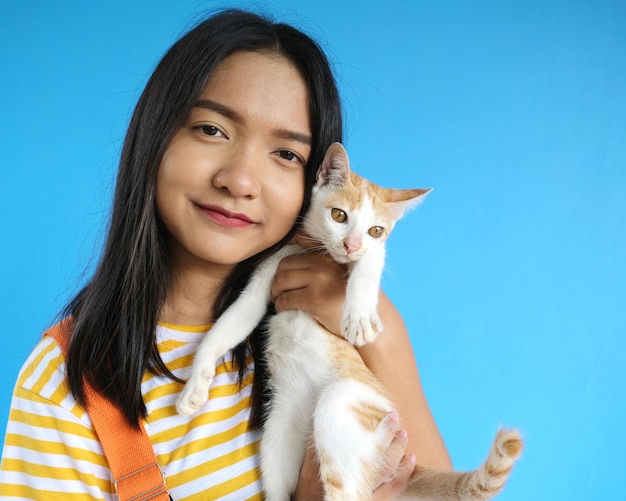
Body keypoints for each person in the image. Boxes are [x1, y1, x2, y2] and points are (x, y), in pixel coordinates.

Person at [0, 9, 451, 500]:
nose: (239, 180)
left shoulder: (324, 331)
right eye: (213, 129)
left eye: (286, 154)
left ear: (316, 181)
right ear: (156, 135)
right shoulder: (64, 386)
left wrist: (383, 336)